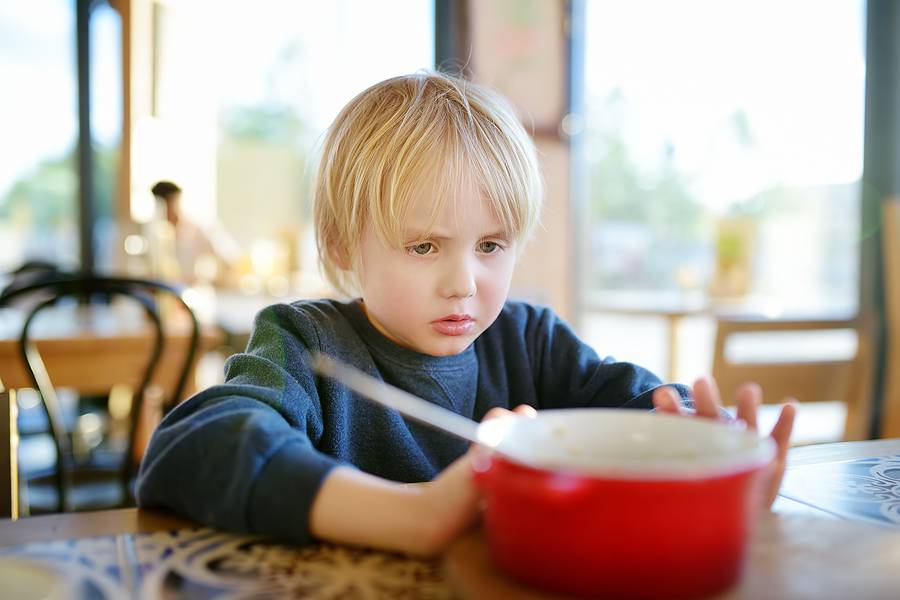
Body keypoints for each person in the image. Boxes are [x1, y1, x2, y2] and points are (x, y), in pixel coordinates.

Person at [135, 72, 795, 556]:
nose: (463, 283)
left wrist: (702, 456)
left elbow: (635, 405)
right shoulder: (308, 341)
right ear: (341, 245)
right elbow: (191, 448)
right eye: (424, 246)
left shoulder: (529, 340)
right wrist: (414, 515)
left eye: (491, 246)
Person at [150, 180, 239, 285]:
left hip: (192, 294)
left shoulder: (200, 228)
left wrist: (210, 280)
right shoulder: (154, 234)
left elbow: (231, 260)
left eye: (172, 203)